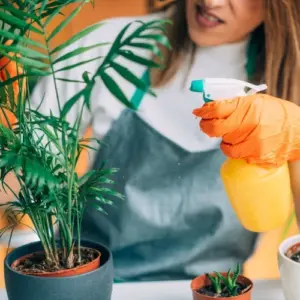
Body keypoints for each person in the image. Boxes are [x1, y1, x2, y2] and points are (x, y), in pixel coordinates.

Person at [31, 0, 300, 282]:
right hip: (89, 283)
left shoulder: (286, 82)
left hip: (217, 291)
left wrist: (296, 136)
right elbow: (23, 174)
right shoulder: (105, 47)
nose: (211, 1)